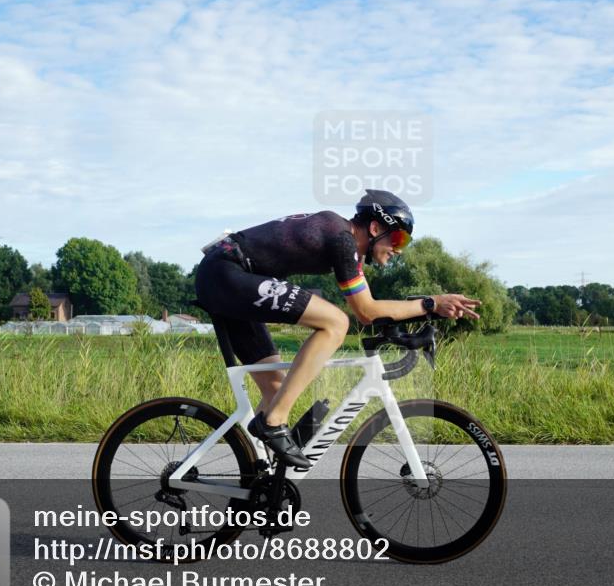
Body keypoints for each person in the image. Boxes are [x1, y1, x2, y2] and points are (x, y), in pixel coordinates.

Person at [193, 190, 481, 468]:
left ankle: (260, 487)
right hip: (227, 273)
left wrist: (418, 317)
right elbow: (366, 311)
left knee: (276, 389)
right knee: (335, 322)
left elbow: (374, 309)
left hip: (231, 278)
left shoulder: (342, 240)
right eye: (397, 237)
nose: (398, 249)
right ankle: (273, 423)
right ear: (374, 226)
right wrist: (430, 304)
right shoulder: (342, 239)